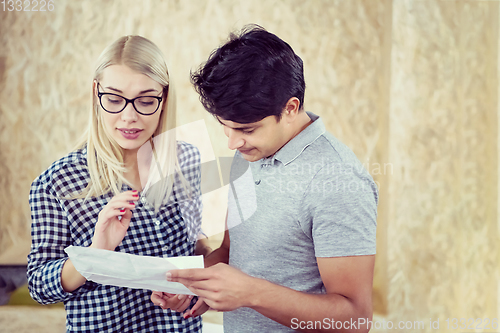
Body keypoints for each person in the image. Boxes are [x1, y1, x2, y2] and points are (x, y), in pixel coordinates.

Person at [157, 25, 379, 332]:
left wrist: (251, 293)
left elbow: (355, 320)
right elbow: (230, 252)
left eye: (246, 129)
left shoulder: (338, 182)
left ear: (290, 108)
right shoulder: (249, 152)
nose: (232, 143)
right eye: (225, 126)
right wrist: (192, 284)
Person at [28, 35, 209, 333]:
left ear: (164, 99)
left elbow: (195, 243)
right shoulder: (56, 183)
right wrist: (95, 252)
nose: (129, 117)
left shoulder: (187, 159)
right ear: (96, 94)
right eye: (113, 99)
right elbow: (38, 287)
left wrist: (191, 283)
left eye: (146, 101)